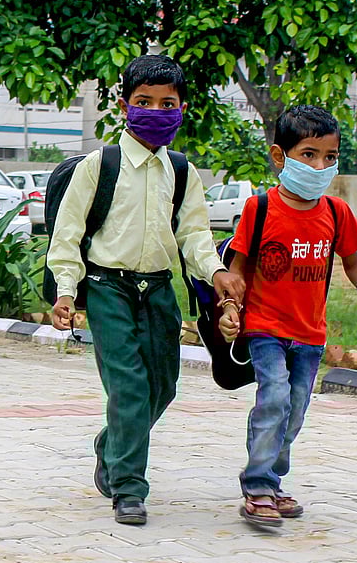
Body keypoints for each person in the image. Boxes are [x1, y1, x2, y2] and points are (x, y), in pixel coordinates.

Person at [48, 54, 244, 526]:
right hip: (107, 287)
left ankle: (110, 444)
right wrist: (66, 291)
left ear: (181, 108)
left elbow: (194, 234)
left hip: (158, 290)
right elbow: (68, 234)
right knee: (130, 387)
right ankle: (129, 488)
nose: (155, 111)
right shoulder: (99, 165)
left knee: (164, 386)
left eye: (167, 103)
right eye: (144, 102)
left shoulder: (181, 171)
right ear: (123, 105)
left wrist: (216, 272)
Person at [218, 105, 357, 527]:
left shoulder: (335, 212)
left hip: (310, 333)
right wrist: (231, 309)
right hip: (265, 327)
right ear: (280, 157)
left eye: (329, 157)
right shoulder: (260, 209)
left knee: (295, 408)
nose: (320, 165)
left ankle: (272, 479)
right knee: (273, 397)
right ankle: (257, 485)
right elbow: (237, 270)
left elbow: (353, 262)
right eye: (309, 154)